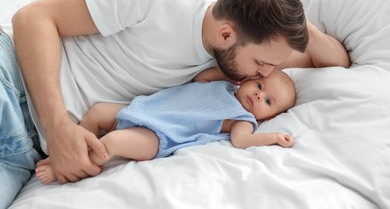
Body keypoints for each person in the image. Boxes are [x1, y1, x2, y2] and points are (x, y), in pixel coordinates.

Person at [1, 0, 350, 207]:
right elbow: (33, 18)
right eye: (260, 65)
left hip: (28, 153)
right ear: (225, 33)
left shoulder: (242, 55)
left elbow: (336, 61)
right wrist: (58, 126)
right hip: (12, 81)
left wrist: (296, 24)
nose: (259, 77)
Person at [35, 70, 296, 184]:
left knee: (111, 143)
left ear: (270, 116)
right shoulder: (226, 86)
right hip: (146, 111)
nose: (259, 96)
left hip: (160, 136)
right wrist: (232, 76)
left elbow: (241, 141)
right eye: (260, 86)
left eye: (268, 101)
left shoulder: (242, 118)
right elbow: (201, 78)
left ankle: (65, 168)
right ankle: (64, 150)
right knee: (98, 112)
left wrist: (272, 136)